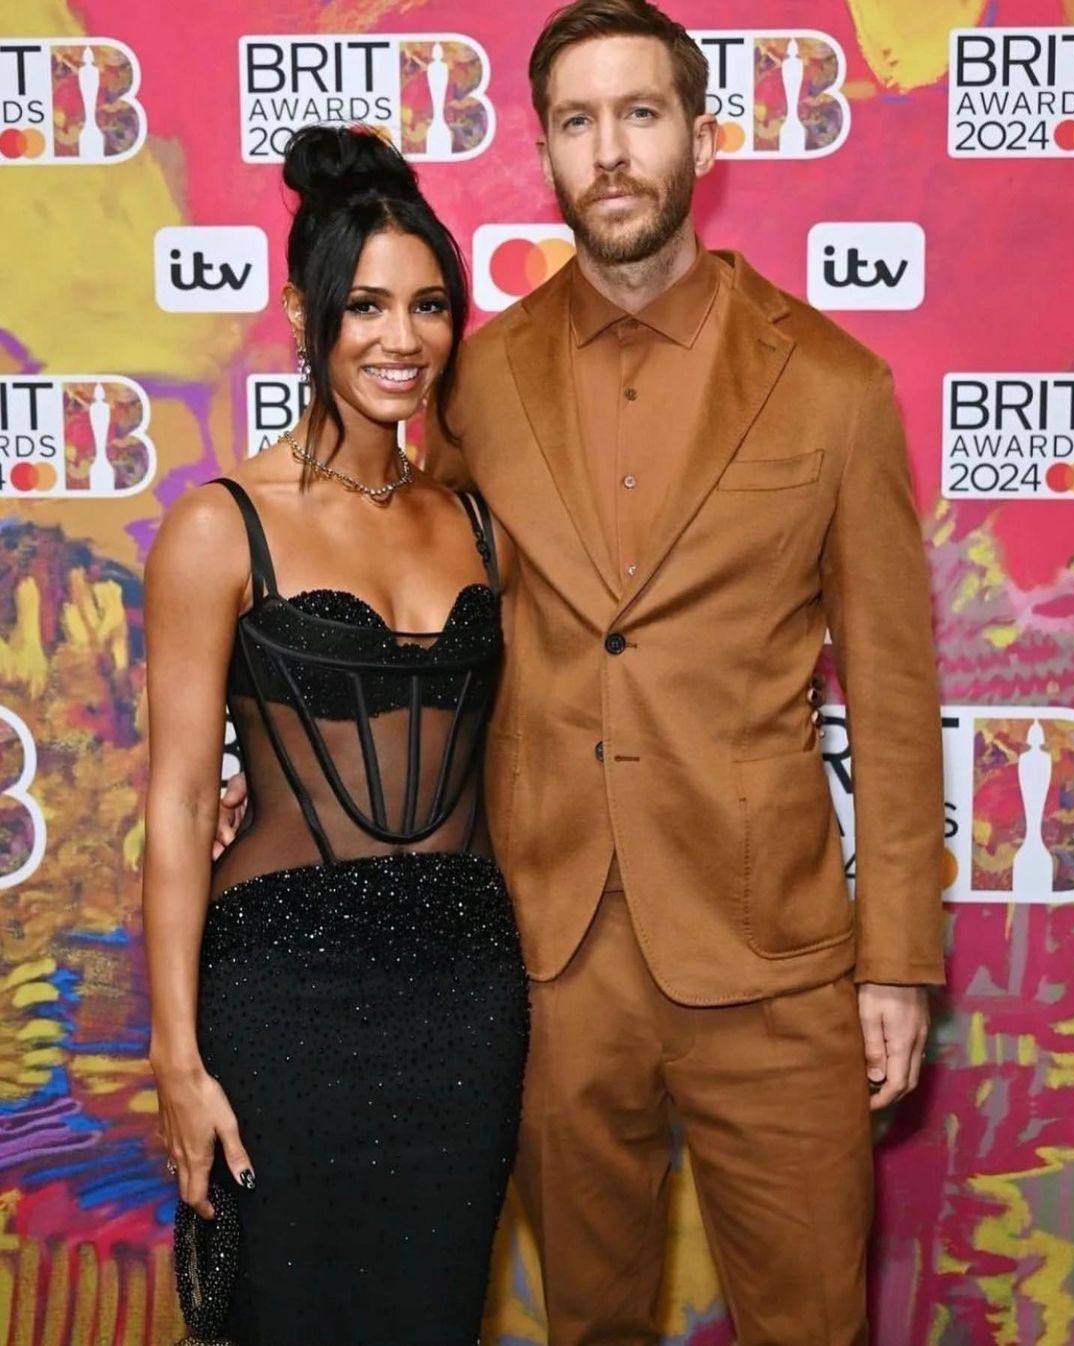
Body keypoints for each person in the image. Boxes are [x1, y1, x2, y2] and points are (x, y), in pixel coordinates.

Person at [218, 2, 946, 1342]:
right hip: (550, 960)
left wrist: (896, 963)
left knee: (813, 1320)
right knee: (586, 1322)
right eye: (577, 121)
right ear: (546, 152)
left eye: (640, 113)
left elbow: (896, 696)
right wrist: (257, 755)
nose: (609, 151)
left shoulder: (834, 388)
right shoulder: (475, 378)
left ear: (703, 139)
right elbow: (401, 591)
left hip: (774, 962)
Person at [142, 124, 528, 1346]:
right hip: (282, 997)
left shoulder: (478, 521)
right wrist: (177, 1059)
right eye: (365, 305)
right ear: (308, 317)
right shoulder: (219, 526)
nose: (399, 338)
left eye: (426, 305)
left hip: (466, 997)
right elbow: (169, 806)